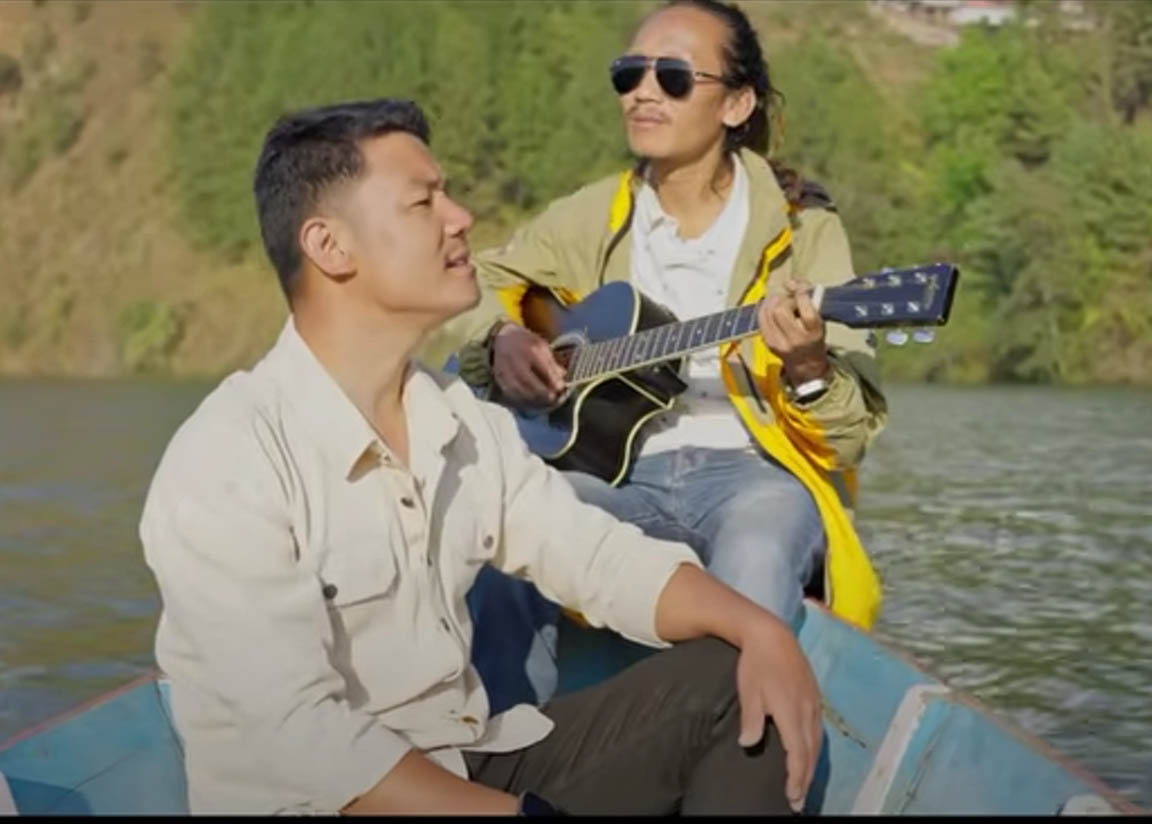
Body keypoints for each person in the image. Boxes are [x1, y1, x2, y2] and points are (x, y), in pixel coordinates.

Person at [138, 97, 826, 815]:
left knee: (736, 675)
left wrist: (760, 629)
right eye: (423, 202)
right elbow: (299, 738)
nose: (460, 216)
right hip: (330, 800)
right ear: (329, 246)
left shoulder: (456, 418)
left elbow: (597, 557)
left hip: (461, 761)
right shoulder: (229, 459)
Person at [438, 0, 888, 712]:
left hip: (756, 478)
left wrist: (807, 367)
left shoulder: (804, 231)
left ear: (736, 104)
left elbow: (849, 438)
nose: (643, 92)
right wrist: (501, 339)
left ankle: (722, 753)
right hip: (614, 474)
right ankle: (503, 750)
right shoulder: (591, 213)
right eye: (630, 74)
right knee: (506, 536)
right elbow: (477, 282)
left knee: (757, 558)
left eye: (673, 77)